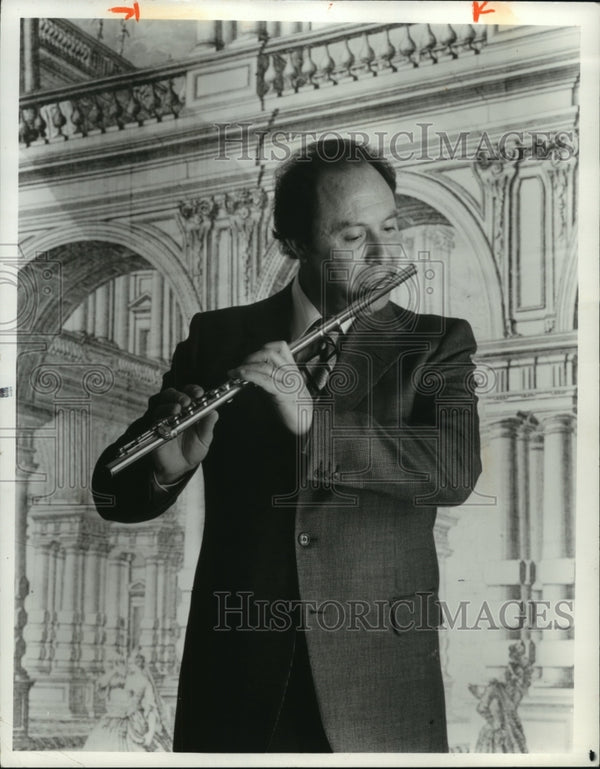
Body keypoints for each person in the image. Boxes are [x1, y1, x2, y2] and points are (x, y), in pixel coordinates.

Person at [93, 138, 482, 753]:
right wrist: (167, 465)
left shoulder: (436, 344)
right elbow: (115, 497)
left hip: (377, 685)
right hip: (240, 680)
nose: (385, 253)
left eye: (391, 227)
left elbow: (453, 472)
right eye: (354, 238)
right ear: (293, 243)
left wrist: (313, 420)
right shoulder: (220, 337)